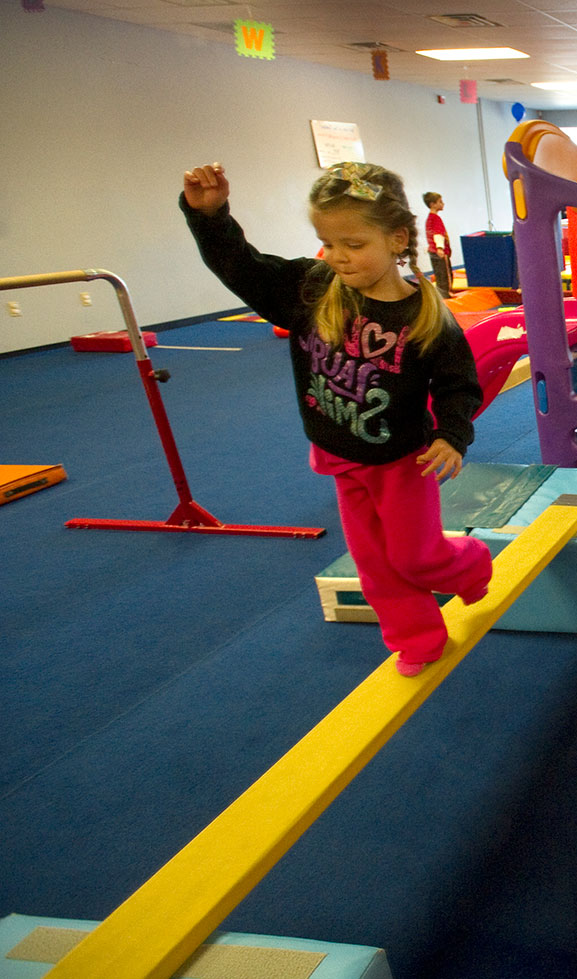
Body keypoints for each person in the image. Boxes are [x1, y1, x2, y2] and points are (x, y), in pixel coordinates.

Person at [180, 160, 492, 677]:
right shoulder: (311, 286)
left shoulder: (425, 316)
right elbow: (240, 265)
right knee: (374, 566)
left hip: (401, 462)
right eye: (327, 242)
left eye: (353, 244)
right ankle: (416, 636)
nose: (338, 257)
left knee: (415, 558)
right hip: (338, 455)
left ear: (396, 239)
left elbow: (458, 384)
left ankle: (470, 561)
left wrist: (451, 436)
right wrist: (209, 216)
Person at [423, 191, 454, 298]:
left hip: (432, 251)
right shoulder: (436, 218)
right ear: (432, 204)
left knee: (438, 274)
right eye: (440, 202)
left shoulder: (429, 218)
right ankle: (446, 294)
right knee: (445, 274)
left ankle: (441, 294)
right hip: (438, 251)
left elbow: (430, 234)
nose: (443, 204)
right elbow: (438, 234)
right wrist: (440, 248)